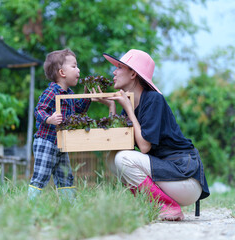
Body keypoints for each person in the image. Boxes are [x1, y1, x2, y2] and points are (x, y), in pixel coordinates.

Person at [93, 49, 210, 221]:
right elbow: (119, 144)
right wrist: (112, 106)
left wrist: (128, 111)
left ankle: (167, 207)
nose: (114, 72)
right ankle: (152, 203)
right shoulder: (131, 103)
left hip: (185, 178)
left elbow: (144, 147)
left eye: (119, 67)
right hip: (167, 175)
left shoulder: (154, 99)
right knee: (113, 158)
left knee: (122, 159)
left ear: (133, 73)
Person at [28, 48, 91, 201]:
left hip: (61, 143)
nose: (78, 69)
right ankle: (31, 204)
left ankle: (69, 204)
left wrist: (88, 96)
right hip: (46, 141)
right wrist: (49, 119)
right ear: (62, 72)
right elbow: (39, 110)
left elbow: (79, 110)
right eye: (74, 66)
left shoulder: (69, 94)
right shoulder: (51, 92)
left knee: (65, 175)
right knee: (42, 174)